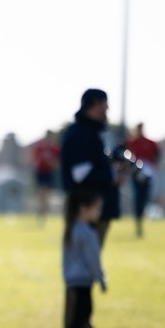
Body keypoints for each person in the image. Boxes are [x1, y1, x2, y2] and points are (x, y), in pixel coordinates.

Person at [59, 89, 122, 248]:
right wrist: (112, 176)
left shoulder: (95, 132)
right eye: (104, 104)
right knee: (83, 266)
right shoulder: (81, 134)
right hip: (85, 209)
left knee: (88, 264)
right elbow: (81, 174)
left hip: (96, 208)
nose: (107, 109)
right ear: (94, 105)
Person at [60, 187, 117, 328]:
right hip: (83, 280)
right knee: (84, 311)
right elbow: (93, 260)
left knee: (78, 311)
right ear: (84, 209)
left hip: (71, 279)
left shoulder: (71, 229)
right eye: (97, 208)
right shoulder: (87, 233)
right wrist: (101, 278)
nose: (100, 213)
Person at [126, 122, 161, 238]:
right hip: (136, 173)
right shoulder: (131, 142)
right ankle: (138, 224)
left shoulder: (151, 143)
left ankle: (141, 218)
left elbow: (157, 156)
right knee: (138, 198)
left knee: (144, 198)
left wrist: (153, 166)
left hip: (148, 173)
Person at [31, 130, 59, 224]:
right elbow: (35, 160)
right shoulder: (39, 147)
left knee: (46, 195)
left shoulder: (55, 148)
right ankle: (40, 211)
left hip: (48, 172)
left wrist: (50, 161)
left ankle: (44, 213)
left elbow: (56, 164)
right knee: (41, 194)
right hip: (40, 172)